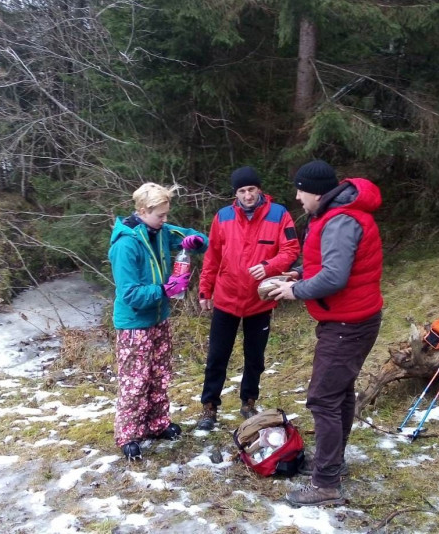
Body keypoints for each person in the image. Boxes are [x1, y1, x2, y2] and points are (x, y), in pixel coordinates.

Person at [269, 159, 383, 506]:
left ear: (316, 191)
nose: (297, 197)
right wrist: (297, 274)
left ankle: (326, 484)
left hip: (348, 323)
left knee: (322, 399)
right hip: (351, 319)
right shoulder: (336, 213)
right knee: (340, 393)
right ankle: (333, 462)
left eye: (300, 190)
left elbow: (335, 276)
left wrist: (295, 291)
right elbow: (326, 263)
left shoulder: (341, 220)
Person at [108, 182, 208, 460]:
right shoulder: (126, 244)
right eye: (160, 215)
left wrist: (195, 241)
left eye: (167, 214)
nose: (166, 220)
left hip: (159, 318)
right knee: (136, 381)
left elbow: (198, 238)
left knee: (159, 375)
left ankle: (157, 423)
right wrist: (165, 289)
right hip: (134, 325)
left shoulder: (161, 232)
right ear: (142, 210)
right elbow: (130, 294)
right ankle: (129, 434)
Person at [196, 166, 300, 430]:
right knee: (217, 355)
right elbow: (212, 257)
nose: (248, 195)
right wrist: (205, 290)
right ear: (236, 193)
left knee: (255, 356)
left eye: (251, 189)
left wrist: (269, 266)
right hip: (226, 297)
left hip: (259, 299)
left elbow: (291, 250)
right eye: (242, 191)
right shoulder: (223, 216)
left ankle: (249, 402)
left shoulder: (279, 214)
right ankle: (209, 407)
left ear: (259, 189)